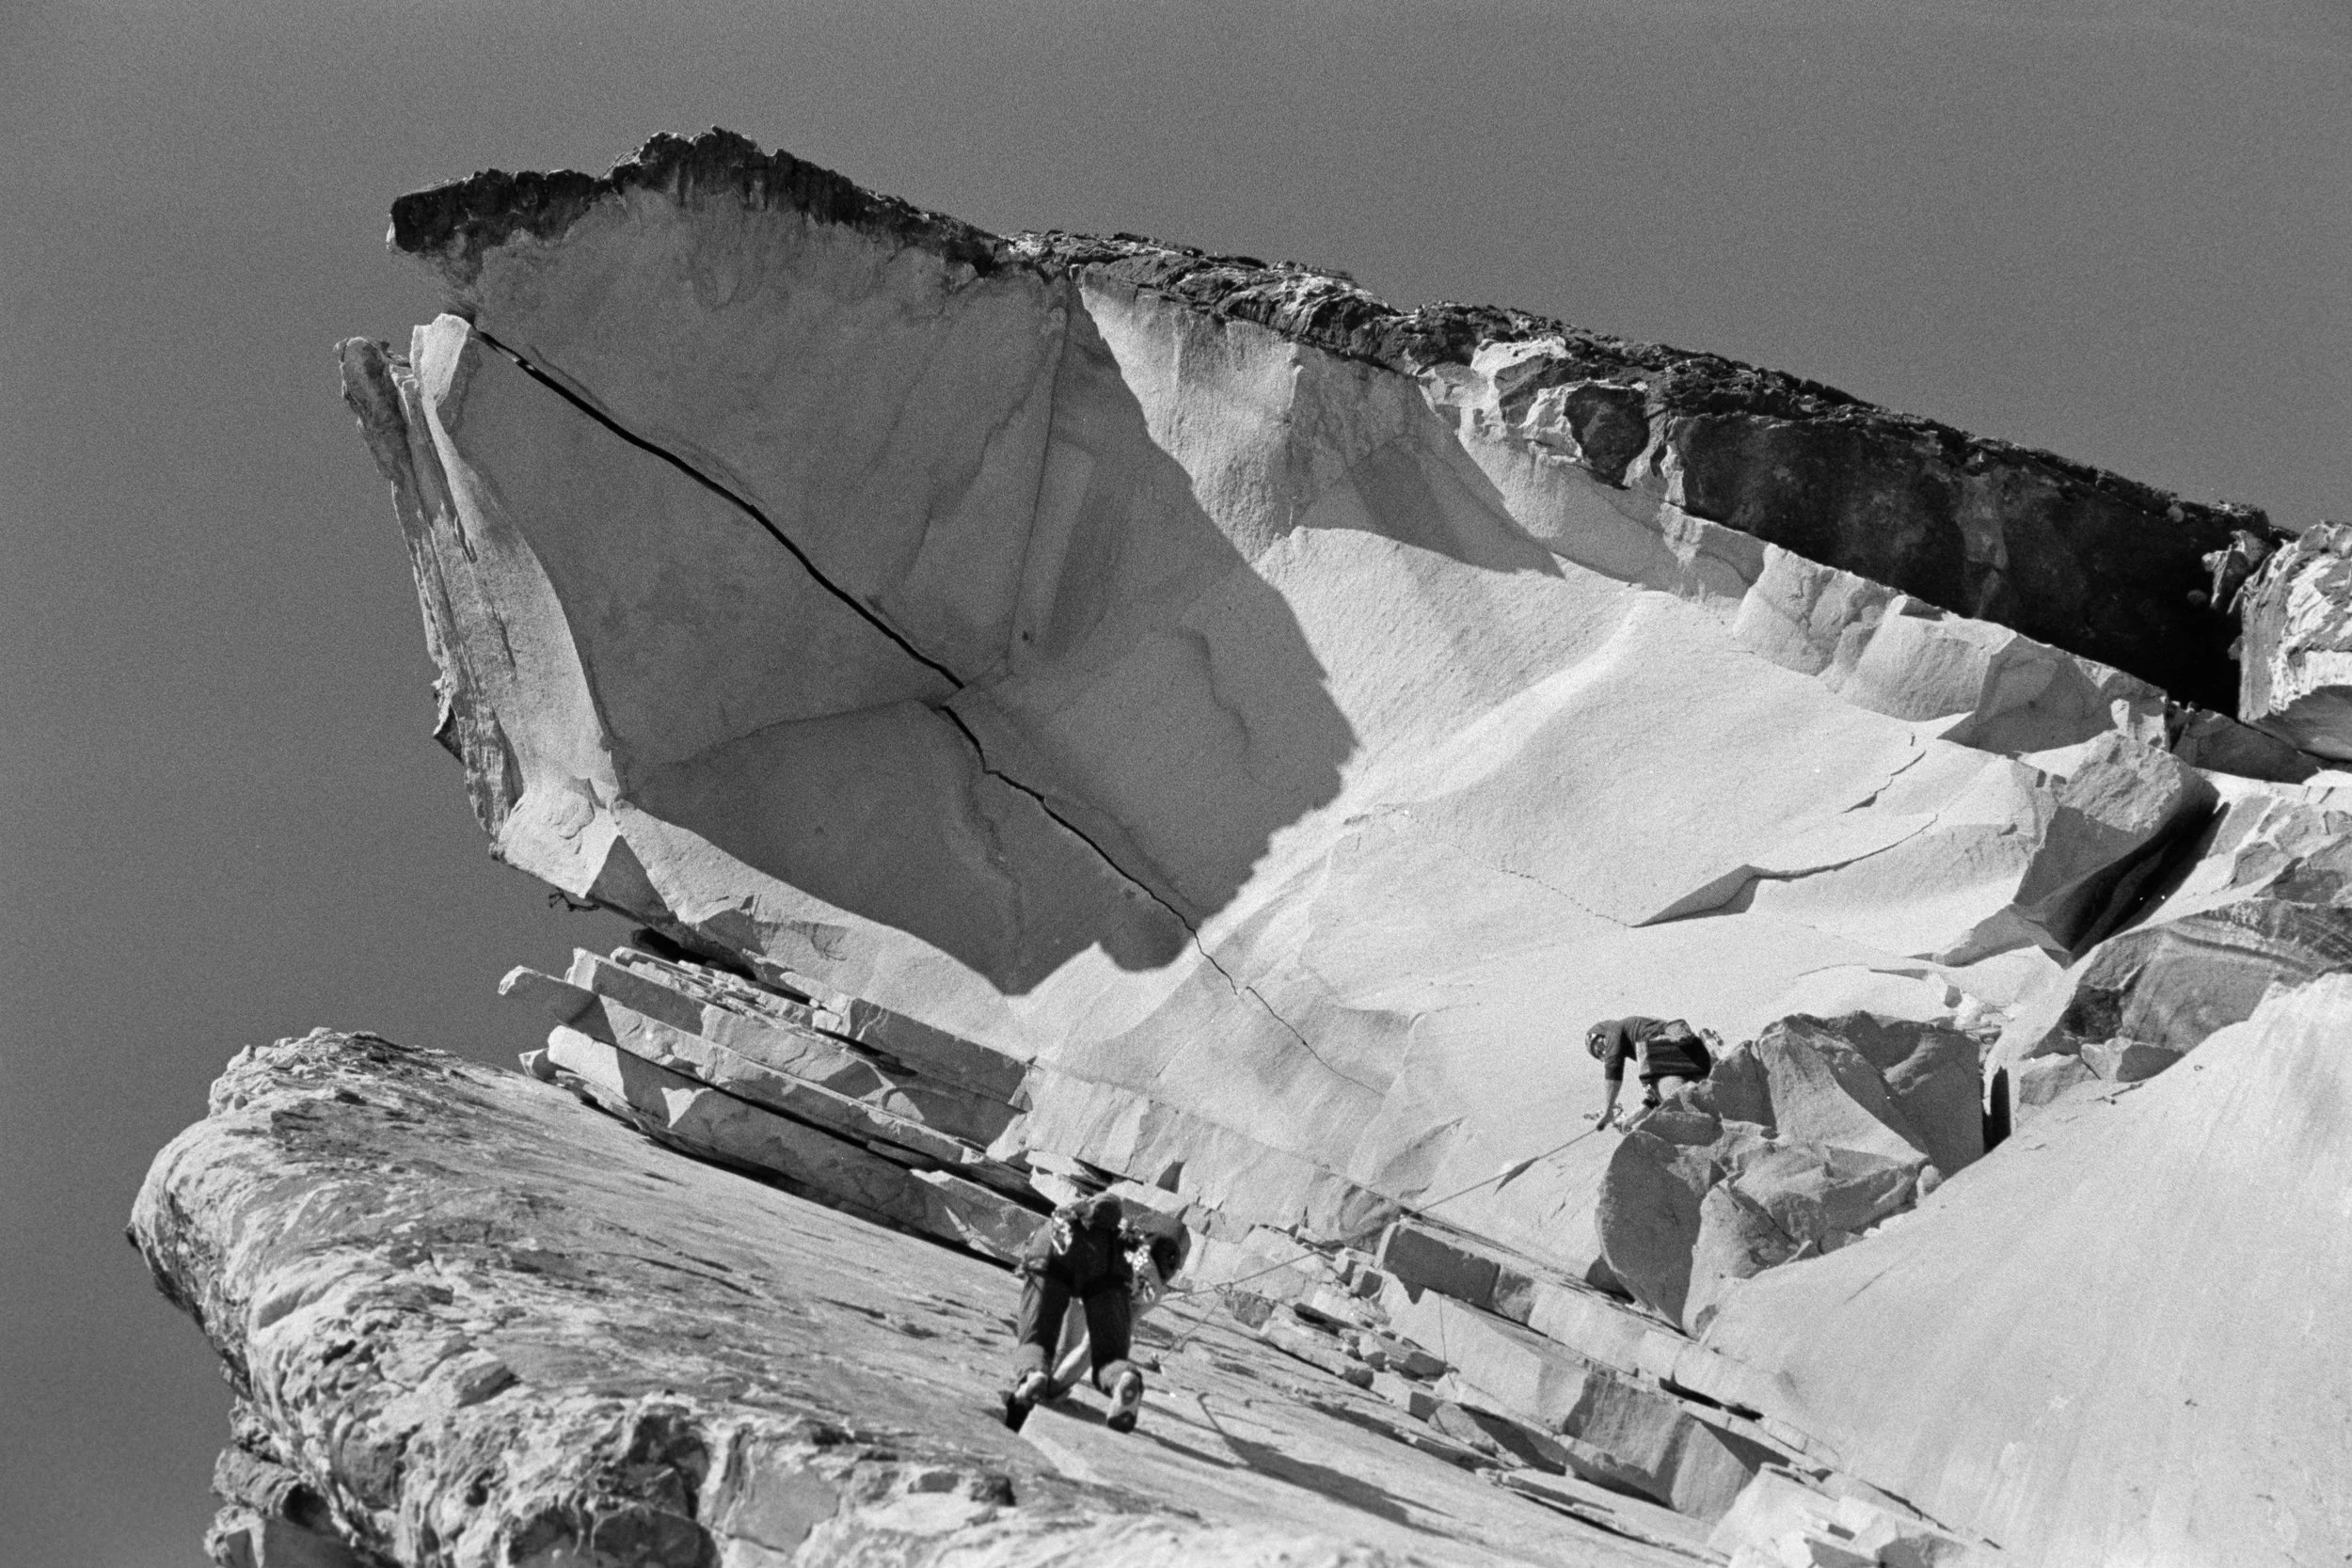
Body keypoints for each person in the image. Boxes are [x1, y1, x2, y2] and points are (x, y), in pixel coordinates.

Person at [1004, 1194, 1150, 1433]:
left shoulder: (1064, 1220)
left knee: (1036, 1339)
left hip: (1055, 1249)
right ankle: (1122, 1378)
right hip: (1110, 1261)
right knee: (1109, 1358)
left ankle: (1034, 1375)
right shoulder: (1122, 1241)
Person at [1586, 1016, 1712, 1130]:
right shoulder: (1648, 1057)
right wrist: (1630, 1120)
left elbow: (1613, 1067)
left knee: (1667, 1095)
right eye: (1600, 1054)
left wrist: (1609, 1109)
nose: (1604, 1052)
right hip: (1692, 1056)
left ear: (1603, 1033)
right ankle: (1712, 1052)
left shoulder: (1615, 1029)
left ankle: (1699, 1124)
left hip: (1666, 1045)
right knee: (1664, 1093)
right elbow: (1654, 1097)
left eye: (1600, 1047)